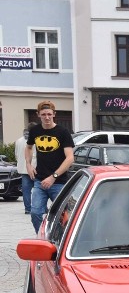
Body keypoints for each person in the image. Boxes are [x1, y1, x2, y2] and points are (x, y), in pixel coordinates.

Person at [25, 100, 74, 233]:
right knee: (35, 213)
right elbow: (29, 147)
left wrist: (53, 177)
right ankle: (43, 238)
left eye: (49, 114)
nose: (47, 117)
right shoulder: (35, 130)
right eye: (43, 114)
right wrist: (28, 165)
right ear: (38, 115)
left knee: (64, 215)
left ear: (54, 114)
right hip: (39, 181)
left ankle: (61, 239)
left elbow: (70, 158)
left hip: (59, 182)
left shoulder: (62, 132)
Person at [15, 125, 37, 214]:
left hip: (23, 169)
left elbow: (16, 155)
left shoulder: (18, 141)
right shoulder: (36, 140)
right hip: (35, 168)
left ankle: (28, 208)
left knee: (26, 190)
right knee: (39, 189)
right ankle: (40, 207)